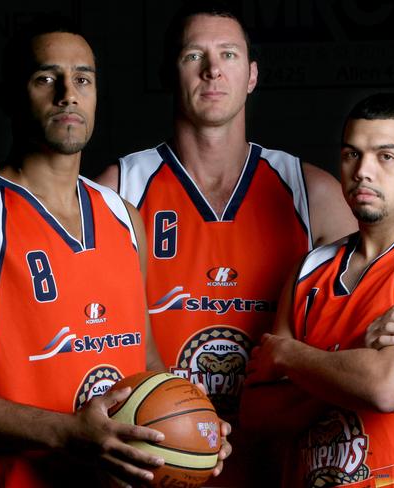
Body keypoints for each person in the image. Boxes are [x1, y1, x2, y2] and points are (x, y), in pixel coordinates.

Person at [0, 17, 229, 487]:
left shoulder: (125, 217)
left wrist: (192, 432)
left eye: (82, 79)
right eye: (45, 78)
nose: (67, 94)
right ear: (12, 97)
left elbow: (147, 360)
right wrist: (63, 432)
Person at [95, 2, 357, 485]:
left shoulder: (311, 193)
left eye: (230, 55)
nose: (213, 69)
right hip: (154, 460)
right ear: (169, 73)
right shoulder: (118, 188)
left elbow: (356, 329)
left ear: (252, 75)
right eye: (195, 55)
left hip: (279, 459)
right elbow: (80, 327)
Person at [243, 92, 394, 487]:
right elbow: (257, 414)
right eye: (351, 154)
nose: (363, 170)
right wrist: (357, 355)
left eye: (386, 156)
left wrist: (290, 355)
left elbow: (388, 387)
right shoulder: (308, 270)